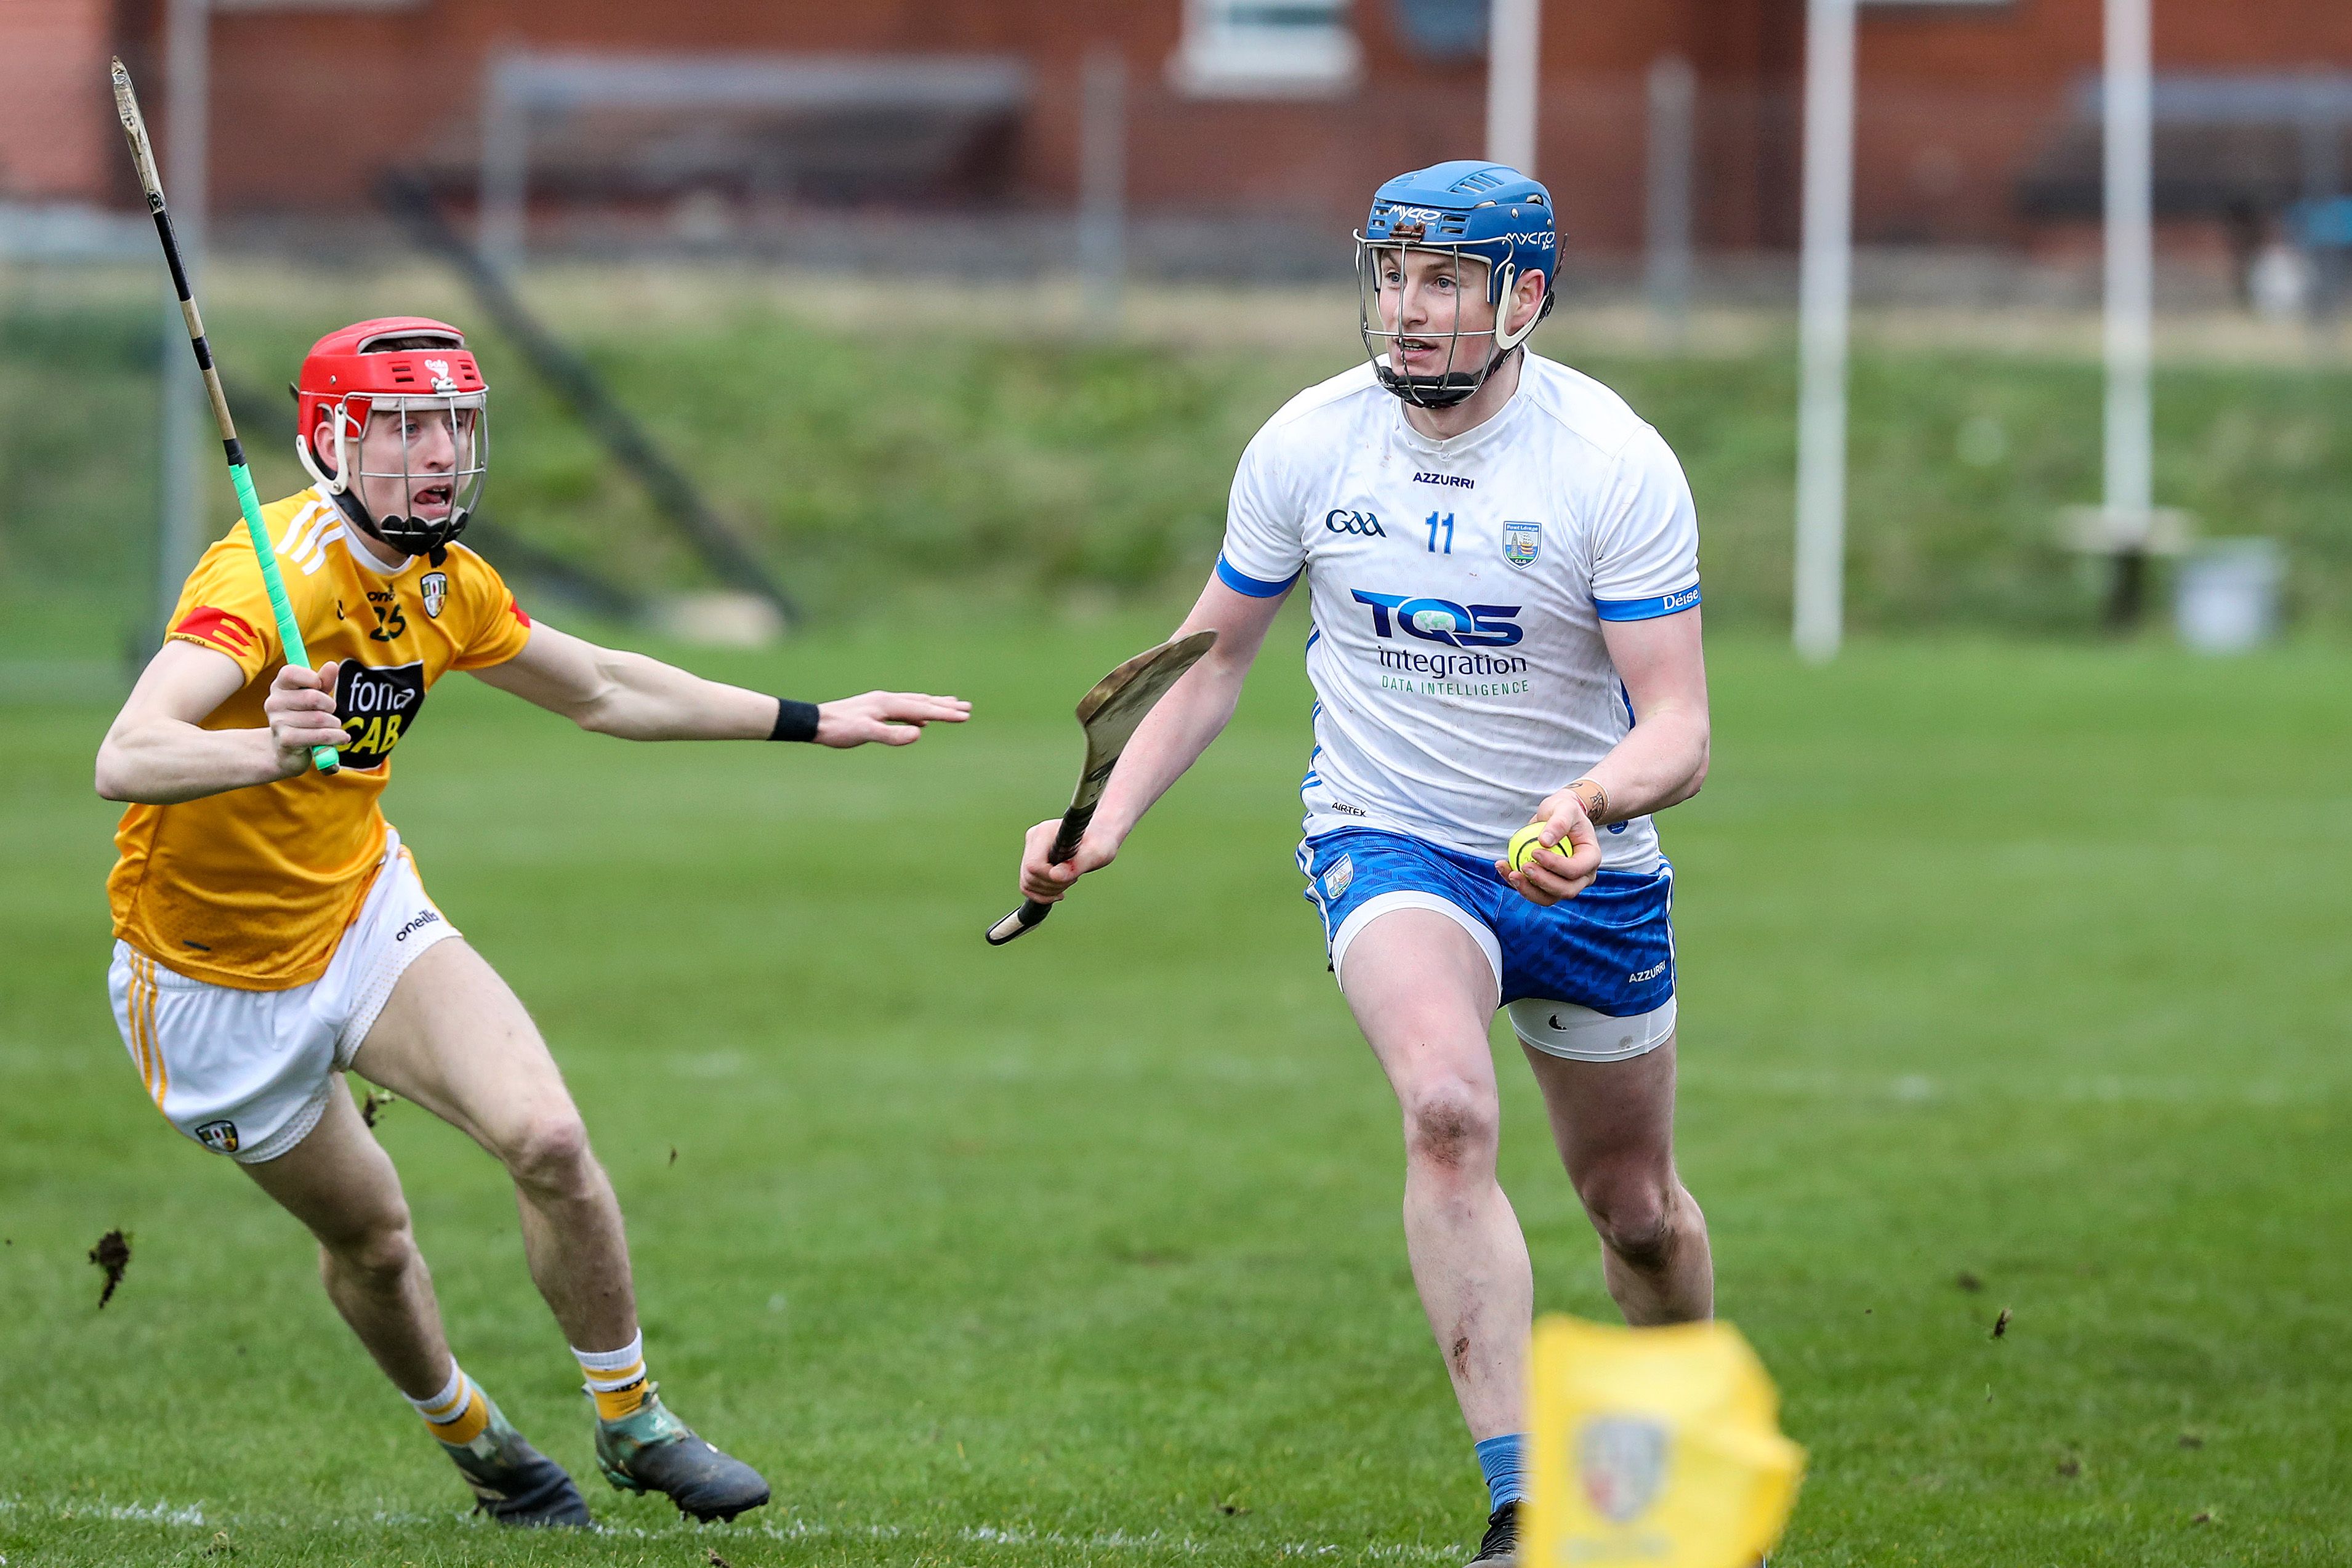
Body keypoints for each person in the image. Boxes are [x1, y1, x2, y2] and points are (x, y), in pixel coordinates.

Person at [96, 316, 969, 1526]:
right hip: (207, 985)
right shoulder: (269, 577)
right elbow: (127, 753)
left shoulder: (451, 582)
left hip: (360, 911)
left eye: (454, 424)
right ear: (328, 442)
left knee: (548, 1137)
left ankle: (634, 1419)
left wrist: (811, 716)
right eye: (403, 431)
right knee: (378, 1243)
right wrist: (266, 742)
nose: (439, 455)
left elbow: (603, 686)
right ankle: (480, 1441)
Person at [1015, 164, 1713, 1567]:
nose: (1405, 309)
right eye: (1391, 275)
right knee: (1446, 1109)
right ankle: (1524, 1504)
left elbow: (1680, 725)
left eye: (1443, 280)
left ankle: (1681, 1480)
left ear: (1522, 298)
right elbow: (1205, 663)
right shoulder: (1309, 444)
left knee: (1633, 1214)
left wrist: (1586, 799)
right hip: (1387, 835)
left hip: (1580, 864)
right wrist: (1104, 816)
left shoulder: (1609, 462)